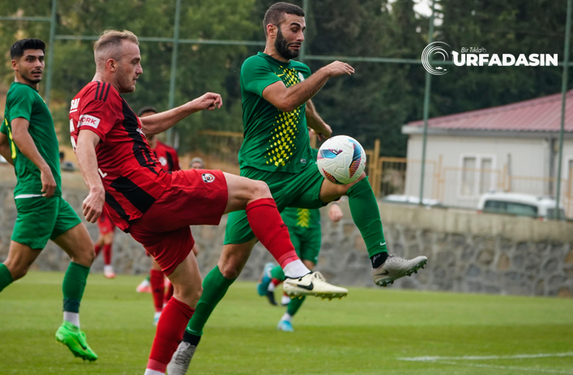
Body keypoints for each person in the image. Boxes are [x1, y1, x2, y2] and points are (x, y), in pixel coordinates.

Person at [167, 4, 428, 373]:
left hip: (303, 171)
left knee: (355, 176)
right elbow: (286, 99)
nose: (301, 36)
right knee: (228, 266)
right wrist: (326, 70)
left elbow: (302, 107)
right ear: (272, 30)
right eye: (294, 29)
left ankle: (381, 261)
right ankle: (187, 343)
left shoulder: (300, 71)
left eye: (303, 29)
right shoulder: (254, 67)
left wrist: (325, 132)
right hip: (258, 183)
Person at [69, 29, 346, 375]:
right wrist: (94, 188)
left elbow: (142, 126)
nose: (140, 69)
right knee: (257, 190)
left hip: (137, 216)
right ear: (111, 64)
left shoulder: (98, 99)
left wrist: (191, 106)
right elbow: (84, 142)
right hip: (156, 190)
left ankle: (156, 373)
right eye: (134, 62)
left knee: (188, 291)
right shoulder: (98, 94)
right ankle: (297, 272)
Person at [0, 38, 98, 362]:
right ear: (15, 65)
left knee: (84, 252)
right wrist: (41, 169)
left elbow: (0, 142)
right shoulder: (22, 93)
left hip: (45, 192)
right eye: (29, 59)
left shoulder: (24, 95)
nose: (37, 64)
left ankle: (70, 326)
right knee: (16, 267)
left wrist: (31, 171)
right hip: (40, 194)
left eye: (40, 58)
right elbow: (19, 134)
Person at [259, 202, 344, 332]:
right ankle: (271, 274)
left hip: (313, 226)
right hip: (288, 222)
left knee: (307, 274)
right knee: (295, 268)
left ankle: (286, 318)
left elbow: (333, 183)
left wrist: (334, 203)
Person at [134, 106, 181, 327]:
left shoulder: (169, 153)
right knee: (157, 264)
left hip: (172, 210)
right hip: (149, 214)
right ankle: (158, 310)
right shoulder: (134, 148)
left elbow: (178, 179)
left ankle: (167, 306)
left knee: (177, 265)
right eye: (146, 121)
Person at [94, 207, 116, 278]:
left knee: (101, 241)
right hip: (104, 215)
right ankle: (107, 268)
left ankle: (85, 262)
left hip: (112, 215)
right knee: (108, 239)